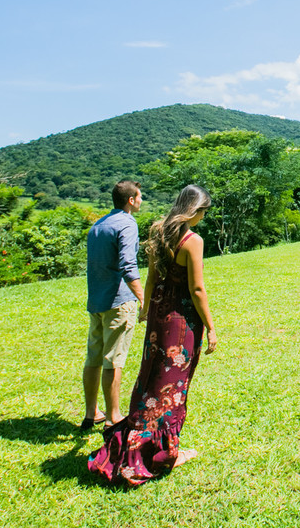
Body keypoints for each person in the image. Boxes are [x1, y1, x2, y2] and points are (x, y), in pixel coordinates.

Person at [88, 184, 218, 487]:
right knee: (172, 387)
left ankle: (138, 442)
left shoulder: (159, 232)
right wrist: (211, 326)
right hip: (181, 322)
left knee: (150, 381)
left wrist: (147, 310)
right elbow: (197, 289)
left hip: (158, 316)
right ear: (195, 210)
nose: (203, 217)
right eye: (203, 212)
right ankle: (163, 453)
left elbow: (151, 277)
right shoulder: (192, 240)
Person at [82, 180, 144, 432]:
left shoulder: (98, 225)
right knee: (113, 361)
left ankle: (90, 413)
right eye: (140, 197)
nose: (141, 201)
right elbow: (128, 264)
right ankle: (114, 417)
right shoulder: (127, 224)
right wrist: (142, 297)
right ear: (131, 200)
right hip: (118, 302)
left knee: (93, 359)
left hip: (97, 301)